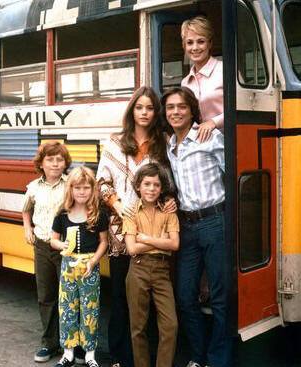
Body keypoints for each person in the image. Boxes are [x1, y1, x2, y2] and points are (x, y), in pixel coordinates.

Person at [96, 86, 176, 367]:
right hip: (121, 234)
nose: (144, 113)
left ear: (156, 113)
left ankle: (148, 358)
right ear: (132, 111)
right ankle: (120, 357)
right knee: (120, 298)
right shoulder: (115, 142)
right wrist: (117, 204)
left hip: (154, 232)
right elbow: (102, 182)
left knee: (152, 302)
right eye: (139, 107)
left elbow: (169, 183)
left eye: (150, 108)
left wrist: (170, 201)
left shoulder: (163, 143)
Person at [161, 86, 232, 367]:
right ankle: (198, 357)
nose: (175, 112)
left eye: (181, 107)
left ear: (192, 110)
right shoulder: (170, 146)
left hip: (215, 221)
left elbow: (233, 169)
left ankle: (218, 360)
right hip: (187, 227)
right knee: (185, 296)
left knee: (219, 297)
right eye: (170, 108)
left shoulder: (210, 136)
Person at [50, 166, 109, 367]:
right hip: (68, 266)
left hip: (89, 266)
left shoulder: (98, 214)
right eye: (77, 188)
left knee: (90, 310)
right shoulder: (62, 213)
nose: (82, 192)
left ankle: (90, 355)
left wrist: (93, 261)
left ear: (93, 189)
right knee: (67, 308)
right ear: (70, 189)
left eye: (86, 188)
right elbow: (53, 240)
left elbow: (104, 242)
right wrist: (61, 245)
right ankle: (68, 354)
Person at [123, 163, 179, 367]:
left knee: (170, 325)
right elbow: (131, 248)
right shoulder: (131, 213)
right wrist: (158, 241)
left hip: (162, 271)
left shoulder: (168, 212)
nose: (151, 189)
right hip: (138, 269)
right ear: (138, 186)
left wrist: (145, 238)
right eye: (147, 183)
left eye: (156, 185)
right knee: (138, 326)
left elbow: (174, 244)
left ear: (162, 188)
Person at [22, 141, 72, 363]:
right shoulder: (34, 187)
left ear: (65, 163)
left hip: (65, 247)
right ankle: (49, 343)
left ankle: (73, 344)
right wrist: (27, 228)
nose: (55, 163)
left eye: (59, 159)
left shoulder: (70, 184)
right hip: (42, 246)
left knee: (70, 296)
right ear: (41, 164)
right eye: (50, 159)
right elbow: (26, 210)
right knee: (46, 296)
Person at [181, 15, 223, 142]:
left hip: (227, 144)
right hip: (199, 147)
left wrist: (213, 122)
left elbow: (241, 108)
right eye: (189, 43)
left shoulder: (225, 71)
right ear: (184, 46)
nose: (195, 48)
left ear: (210, 43)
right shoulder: (185, 83)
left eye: (201, 41)